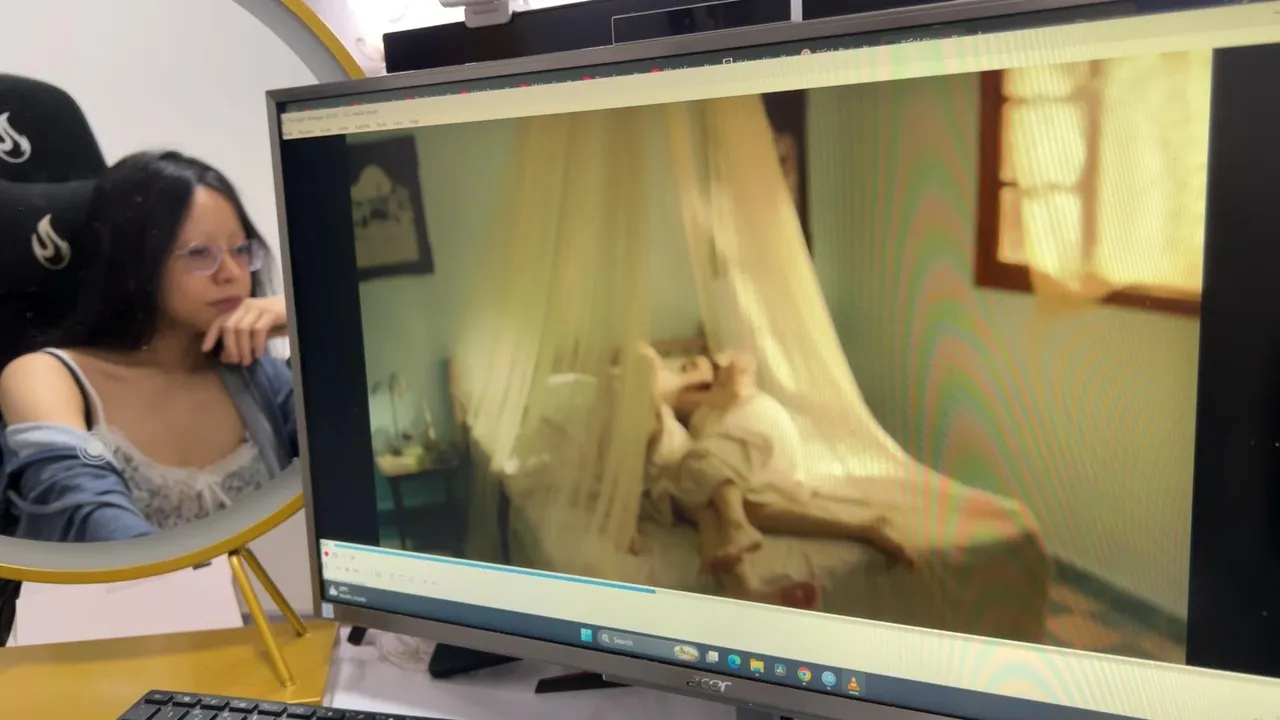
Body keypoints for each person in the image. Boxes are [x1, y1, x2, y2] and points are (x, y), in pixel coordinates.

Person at [0, 151, 298, 542]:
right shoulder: (46, 376)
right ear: (133, 262)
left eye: (240, 250)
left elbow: (352, 458)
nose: (230, 273)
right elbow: (89, 520)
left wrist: (301, 317)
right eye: (200, 253)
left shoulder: (256, 375)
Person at [639, 344, 915, 609]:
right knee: (723, 502)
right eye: (685, 366)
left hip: (754, 424)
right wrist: (690, 379)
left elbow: (738, 378)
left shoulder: (729, 382)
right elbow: (654, 392)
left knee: (701, 464)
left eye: (697, 363)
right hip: (733, 461)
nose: (691, 369)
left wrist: (709, 372)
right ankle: (750, 586)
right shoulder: (680, 405)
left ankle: (738, 528)